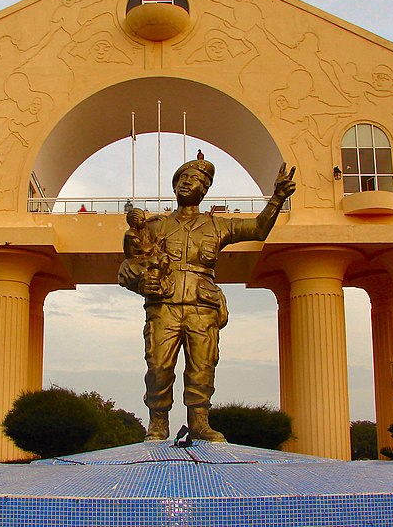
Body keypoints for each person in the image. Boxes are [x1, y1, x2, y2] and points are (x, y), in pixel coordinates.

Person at [118, 159, 296, 442]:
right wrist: (142, 282)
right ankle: (158, 422)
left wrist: (276, 198)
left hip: (202, 305)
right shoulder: (155, 226)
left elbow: (258, 230)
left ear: (206, 189)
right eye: (183, 178)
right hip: (164, 304)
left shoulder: (218, 226)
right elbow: (128, 267)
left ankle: (199, 420)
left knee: (203, 366)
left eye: (195, 180)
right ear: (175, 186)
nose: (188, 183)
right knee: (158, 367)